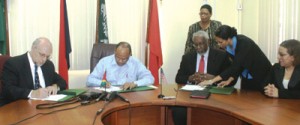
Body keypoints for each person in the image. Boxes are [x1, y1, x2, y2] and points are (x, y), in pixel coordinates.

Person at [173, 31, 234, 125]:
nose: (198, 47)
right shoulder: (187, 57)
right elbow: (178, 78)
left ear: (208, 42)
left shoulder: (221, 56)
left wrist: (214, 78)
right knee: (178, 109)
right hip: (190, 93)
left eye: (201, 44)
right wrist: (190, 78)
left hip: (212, 93)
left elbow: (230, 77)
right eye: (195, 44)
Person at [200, 25, 272, 91]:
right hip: (246, 76)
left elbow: (235, 66)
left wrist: (211, 81)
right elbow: (238, 67)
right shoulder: (228, 47)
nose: (218, 44)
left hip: (261, 76)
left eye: (220, 42)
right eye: (217, 42)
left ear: (228, 39)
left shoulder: (244, 43)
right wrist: (230, 79)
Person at [0, 37, 67, 106]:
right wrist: (33, 93)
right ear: (33, 48)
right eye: (42, 55)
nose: (44, 60)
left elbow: (62, 82)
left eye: (47, 57)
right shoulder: (14, 63)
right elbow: (8, 90)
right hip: (19, 108)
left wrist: (55, 86)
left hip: (44, 107)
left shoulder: (48, 65)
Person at [87, 41, 154, 90]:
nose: (120, 61)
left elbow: (150, 78)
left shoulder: (135, 62)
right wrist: (102, 83)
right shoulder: (105, 61)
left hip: (129, 96)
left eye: (124, 59)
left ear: (129, 55)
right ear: (115, 52)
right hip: (108, 97)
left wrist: (135, 83)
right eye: (118, 57)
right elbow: (89, 80)